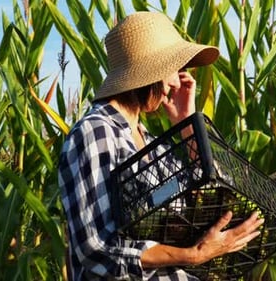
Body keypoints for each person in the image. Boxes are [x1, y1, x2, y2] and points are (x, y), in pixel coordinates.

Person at [58, 11, 264, 280]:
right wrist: (194, 254)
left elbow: (215, 195)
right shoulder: (95, 132)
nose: (178, 81)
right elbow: (96, 247)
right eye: (172, 69)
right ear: (146, 71)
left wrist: (188, 123)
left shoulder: (153, 147)